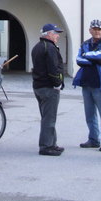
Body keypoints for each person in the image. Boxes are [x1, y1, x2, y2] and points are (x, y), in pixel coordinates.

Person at [72, 19, 101, 151]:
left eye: (99, 29)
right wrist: (92, 60)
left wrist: (87, 56)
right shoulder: (85, 44)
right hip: (86, 83)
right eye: (94, 29)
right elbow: (78, 60)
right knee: (90, 114)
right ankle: (93, 139)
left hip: (100, 84)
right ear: (90, 30)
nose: (97, 31)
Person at [31, 23, 65, 156]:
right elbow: (53, 69)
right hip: (48, 87)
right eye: (55, 33)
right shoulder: (50, 48)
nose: (57, 36)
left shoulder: (37, 47)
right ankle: (46, 146)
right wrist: (58, 83)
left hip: (38, 86)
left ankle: (52, 143)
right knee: (49, 118)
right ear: (49, 34)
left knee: (47, 116)